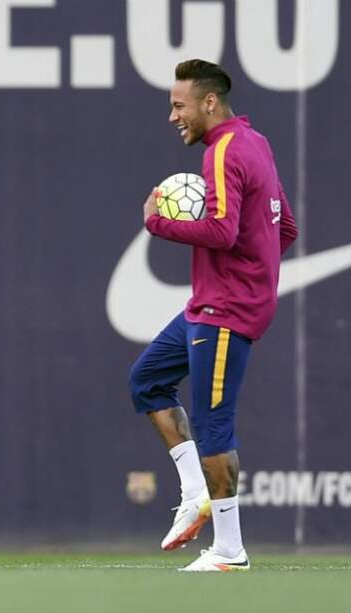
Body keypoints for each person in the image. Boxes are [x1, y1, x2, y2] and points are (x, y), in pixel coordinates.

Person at [130, 60, 298, 572]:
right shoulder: (255, 142)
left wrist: (158, 222)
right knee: (148, 381)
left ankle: (229, 549)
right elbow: (284, 227)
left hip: (226, 310)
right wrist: (255, 271)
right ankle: (195, 492)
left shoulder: (223, 152)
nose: (172, 116)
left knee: (213, 424)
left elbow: (222, 233)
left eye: (179, 106)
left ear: (209, 102)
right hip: (212, 303)